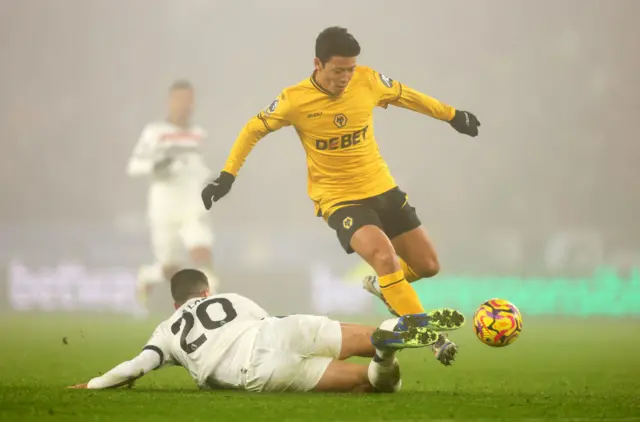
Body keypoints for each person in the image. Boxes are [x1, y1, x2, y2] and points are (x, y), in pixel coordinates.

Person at [200, 26, 480, 320]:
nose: (345, 77)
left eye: (350, 69)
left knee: (428, 266)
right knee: (384, 257)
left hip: (382, 187)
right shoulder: (294, 100)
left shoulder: (368, 81)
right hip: (339, 199)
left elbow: (407, 96)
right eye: (337, 70)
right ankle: (427, 331)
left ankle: (387, 288)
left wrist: (452, 115)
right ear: (317, 65)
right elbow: (252, 130)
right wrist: (227, 176)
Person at [68, 269, 465, 393]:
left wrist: (93, 385)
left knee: (372, 386)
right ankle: (382, 341)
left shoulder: (166, 331)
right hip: (277, 331)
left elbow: (137, 366)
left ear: (176, 304)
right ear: (206, 292)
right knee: (360, 338)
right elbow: (264, 322)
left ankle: (384, 360)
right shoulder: (232, 298)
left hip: (259, 372)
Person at [127, 80, 219, 306]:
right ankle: (147, 275)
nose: (184, 105)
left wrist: (216, 183)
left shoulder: (199, 135)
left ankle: (214, 306)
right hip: (164, 208)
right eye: (179, 100)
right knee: (171, 268)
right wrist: (157, 166)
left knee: (202, 252)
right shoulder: (155, 133)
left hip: (192, 207)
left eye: (188, 100)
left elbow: (199, 168)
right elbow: (134, 165)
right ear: (169, 102)